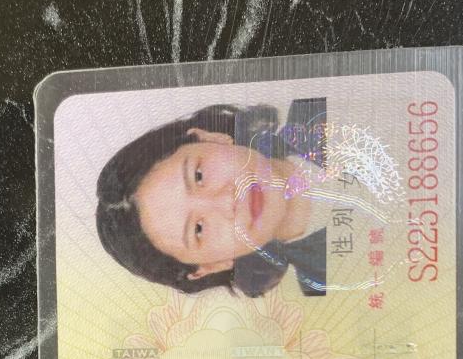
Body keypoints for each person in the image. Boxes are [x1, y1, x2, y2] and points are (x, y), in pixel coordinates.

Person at [95, 100, 330, 297]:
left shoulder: (321, 110)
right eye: (198, 229)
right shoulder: (322, 289)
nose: (227, 202)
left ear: (210, 138)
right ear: (212, 266)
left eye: (198, 176)